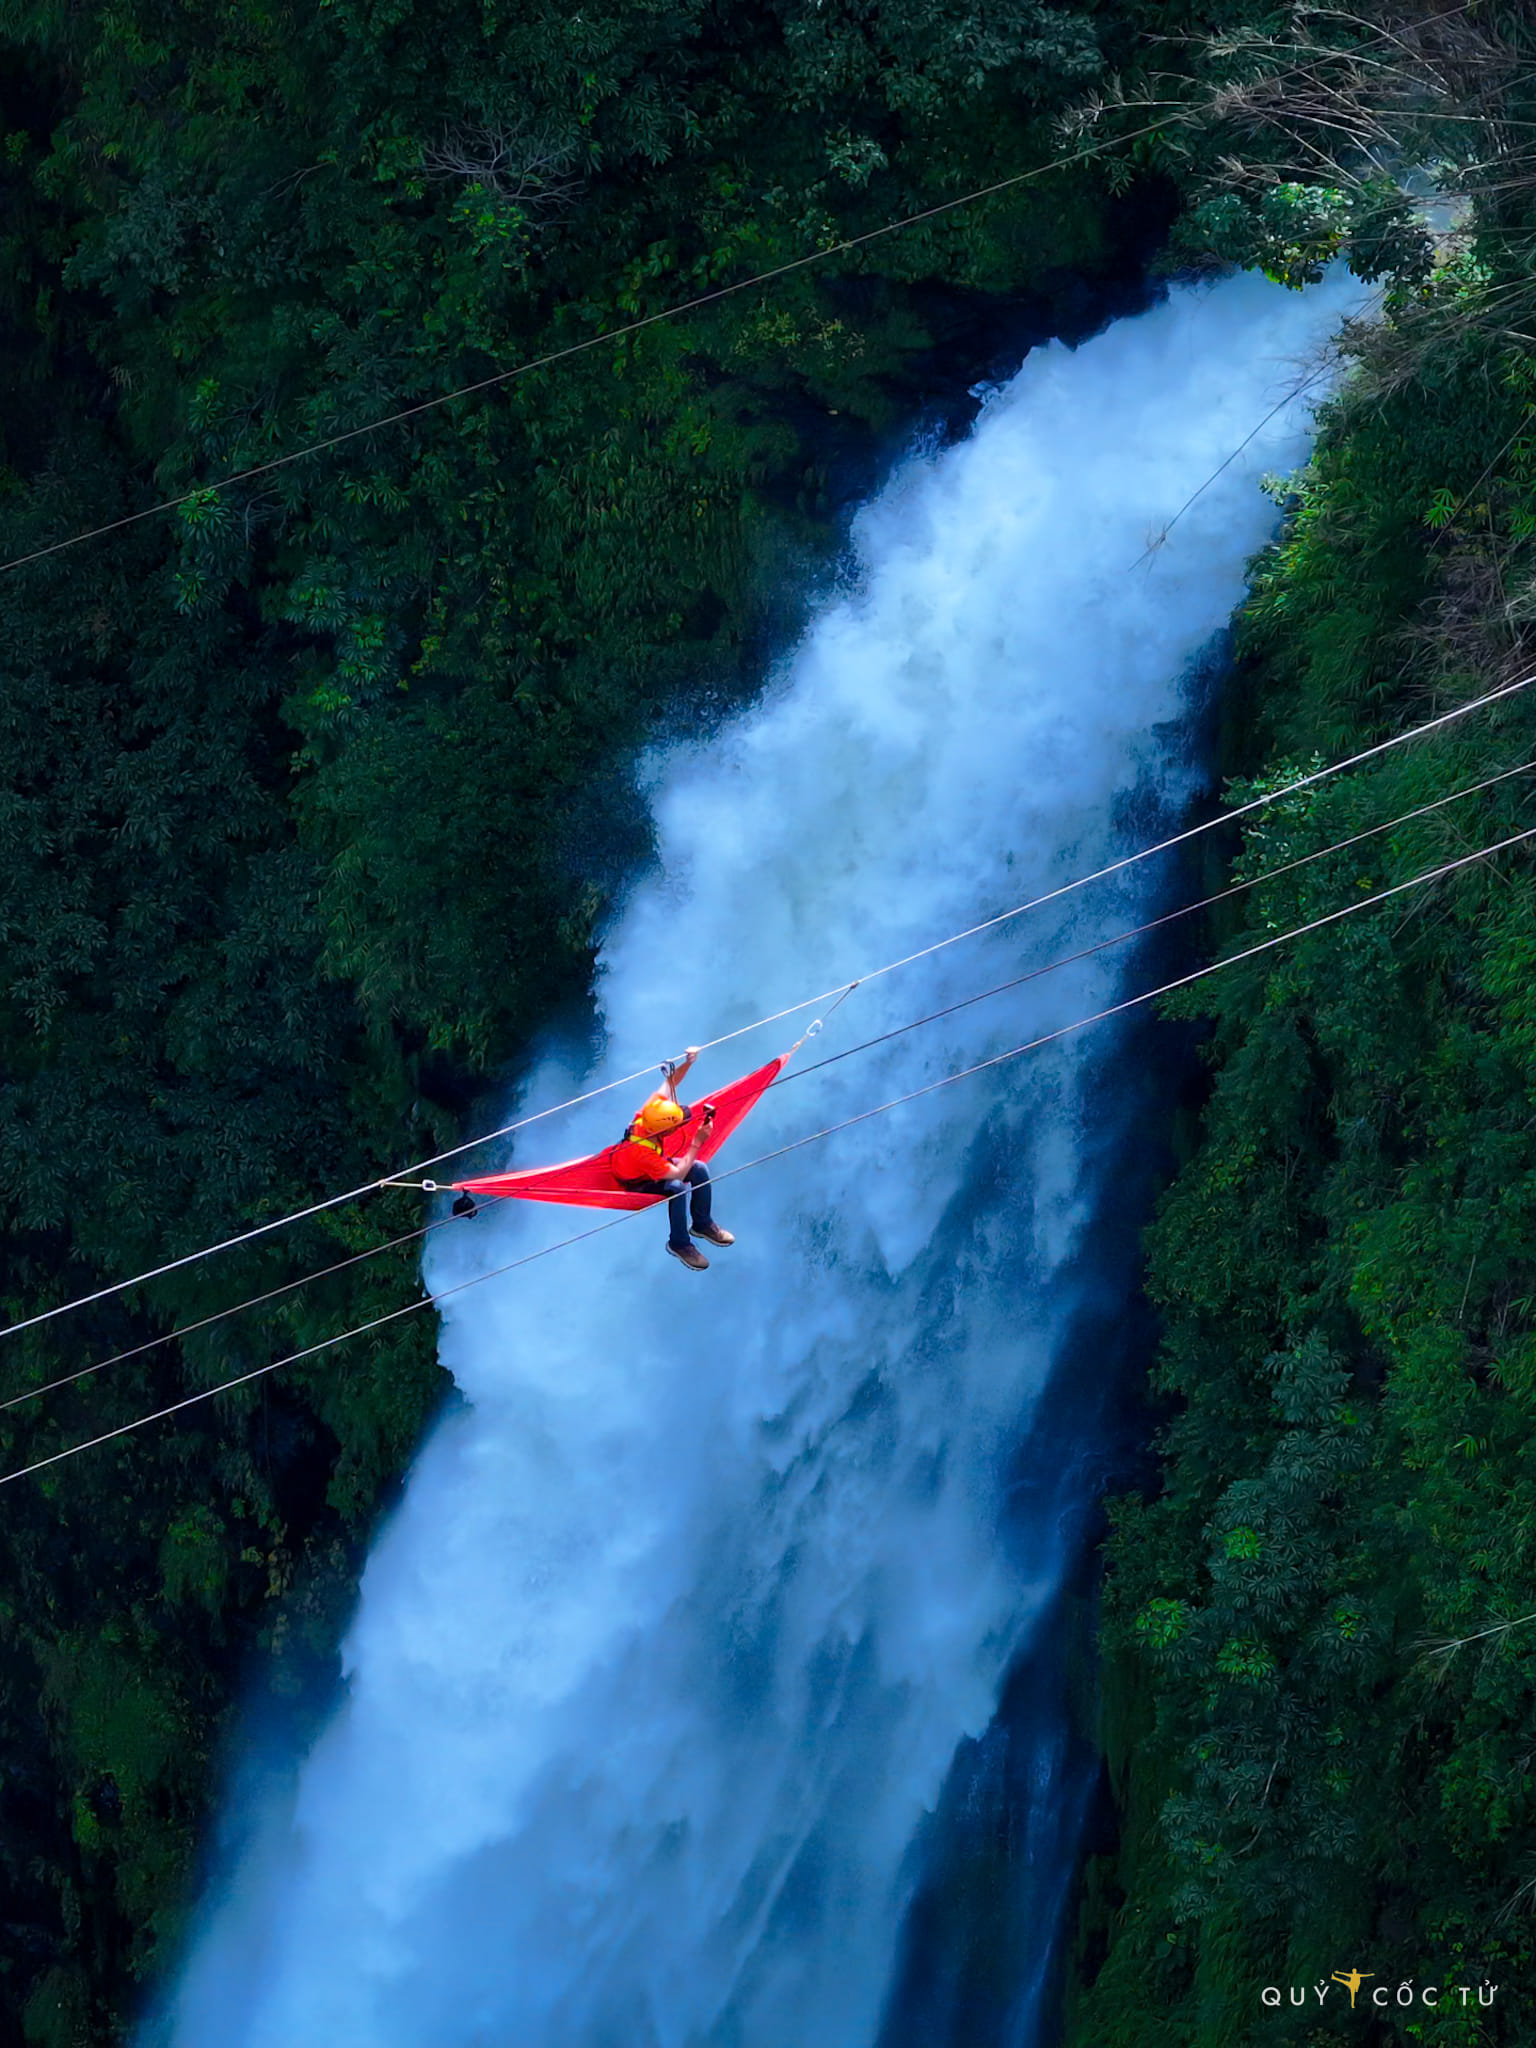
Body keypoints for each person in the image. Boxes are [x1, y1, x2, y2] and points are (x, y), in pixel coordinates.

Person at [610, 1047, 736, 1272]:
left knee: (699, 1169)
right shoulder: (643, 1154)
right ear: (663, 1132)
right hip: (636, 1181)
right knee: (677, 1187)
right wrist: (697, 1141)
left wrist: (689, 1062)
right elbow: (676, 1174)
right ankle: (679, 1244)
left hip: (644, 1163)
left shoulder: (648, 1113)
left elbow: (670, 1083)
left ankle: (702, 1224)